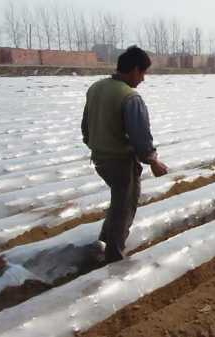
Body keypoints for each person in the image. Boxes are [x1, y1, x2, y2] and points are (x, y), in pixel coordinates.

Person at [81, 46, 168, 263]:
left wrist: (98, 144)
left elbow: (85, 127)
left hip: (100, 158)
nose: (143, 79)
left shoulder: (96, 88)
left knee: (119, 200)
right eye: (143, 73)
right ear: (135, 70)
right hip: (119, 161)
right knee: (125, 207)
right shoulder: (130, 98)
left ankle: (102, 242)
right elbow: (141, 138)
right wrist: (153, 161)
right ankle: (114, 256)